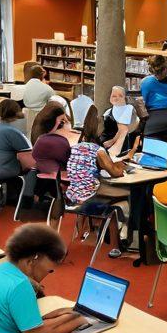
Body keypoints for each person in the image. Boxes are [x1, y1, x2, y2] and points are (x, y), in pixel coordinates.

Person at [64, 105, 130, 257]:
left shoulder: (76, 147)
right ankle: (118, 244)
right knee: (123, 197)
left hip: (73, 195)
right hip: (90, 196)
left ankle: (83, 232)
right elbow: (115, 173)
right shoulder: (98, 151)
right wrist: (122, 166)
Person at [0, 97, 37, 208]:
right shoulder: (11, 131)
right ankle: (27, 201)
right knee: (34, 168)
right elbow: (29, 161)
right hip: (8, 170)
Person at [31, 102, 73, 176]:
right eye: (63, 121)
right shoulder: (58, 142)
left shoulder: (40, 139)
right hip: (59, 181)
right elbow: (70, 161)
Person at [22, 64, 55, 139]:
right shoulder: (47, 88)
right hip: (41, 116)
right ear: (42, 75)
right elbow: (54, 101)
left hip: (27, 114)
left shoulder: (25, 86)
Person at [102, 85, 138, 155]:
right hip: (107, 146)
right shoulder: (108, 111)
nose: (116, 98)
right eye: (114, 96)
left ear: (124, 98)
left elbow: (123, 130)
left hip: (122, 147)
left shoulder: (129, 108)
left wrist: (111, 142)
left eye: (120, 96)